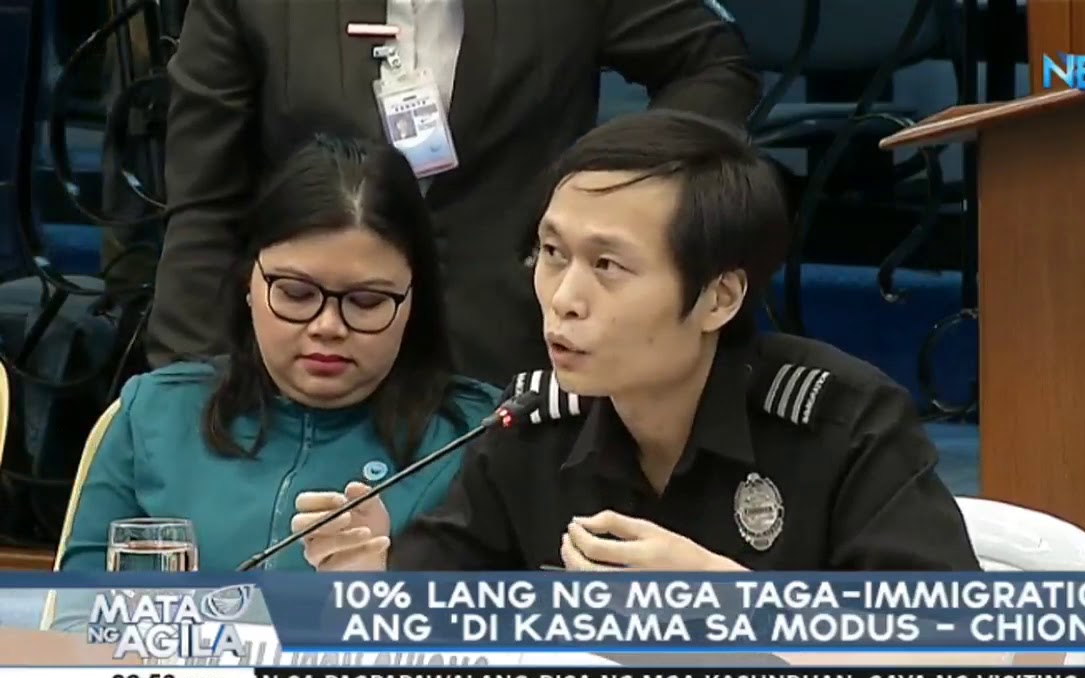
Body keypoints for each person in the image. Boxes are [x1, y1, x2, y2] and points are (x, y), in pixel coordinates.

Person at [291, 111, 980, 573]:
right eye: (552, 254)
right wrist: (377, 582)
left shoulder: (845, 424)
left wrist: (743, 613)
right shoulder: (533, 429)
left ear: (719, 297)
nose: (564, 297)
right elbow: (442, 644)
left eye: (608, 265)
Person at [148, 0, 761, 388]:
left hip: (513, 353)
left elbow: (711, 64)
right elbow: (205, 206)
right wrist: (184, 386)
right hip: (312, 358)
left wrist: (616, 187)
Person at [57, 134, 501, 574]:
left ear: (414, 302)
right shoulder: (154, 415)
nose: (327, 326)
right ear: (248, 283)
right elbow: (76, 606)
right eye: (296, 294)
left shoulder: (479, 441)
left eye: (366, 302)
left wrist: (387, 586)